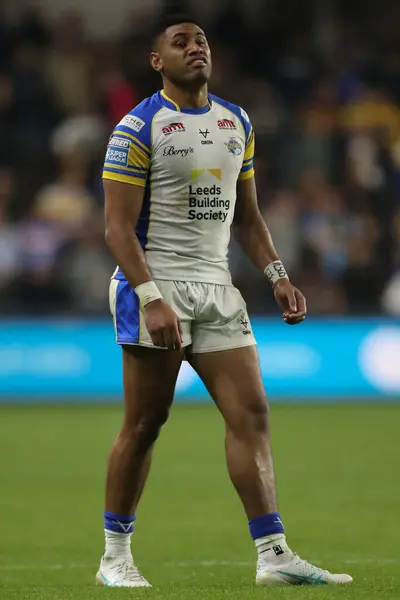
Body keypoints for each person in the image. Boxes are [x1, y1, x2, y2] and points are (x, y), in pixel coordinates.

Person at [97, 14, 353, 587]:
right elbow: (116, 229)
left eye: (202, 41)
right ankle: (115, 557)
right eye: (180, 43)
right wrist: (150, 297)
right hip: (155, 282)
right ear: (157, 61)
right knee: (145, 423)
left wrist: (277, 274)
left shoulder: (236, 121)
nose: (196, 49)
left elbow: (248, 217)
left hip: (218, 288)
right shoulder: (137, 128)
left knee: (252, 415)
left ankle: (274, 555)